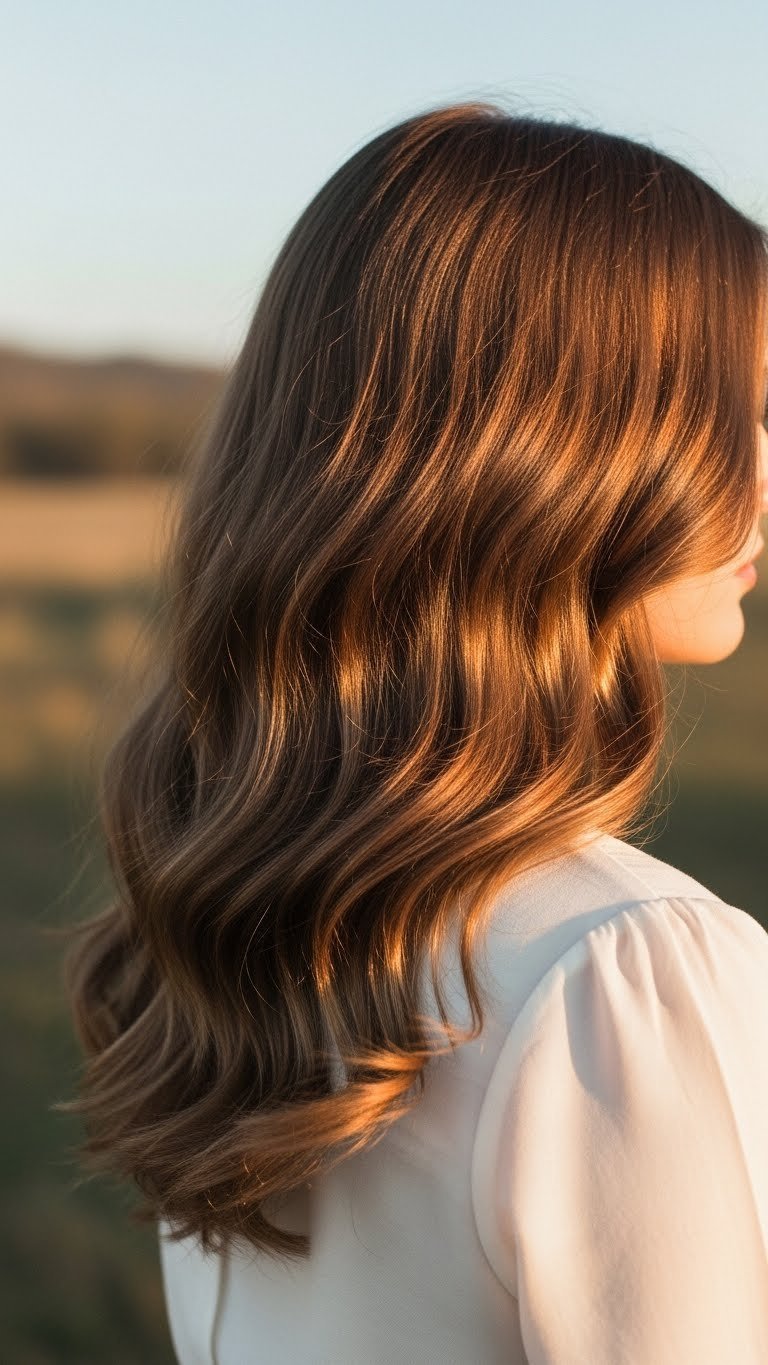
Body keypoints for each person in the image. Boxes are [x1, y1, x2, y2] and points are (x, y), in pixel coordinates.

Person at [57, 98, 768, 1362]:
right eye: (734, 416)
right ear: (548, 447)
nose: (764, 473)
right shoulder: (621, 973)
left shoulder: (236, 912)